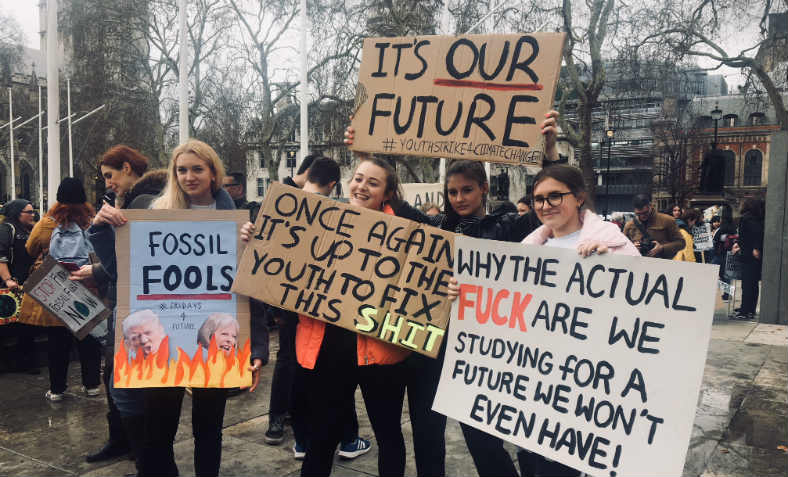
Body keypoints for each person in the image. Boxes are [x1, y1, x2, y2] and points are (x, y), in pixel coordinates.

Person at [342, 111, 558, 477]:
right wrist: (370, 148)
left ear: (484, 189)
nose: (459, 198)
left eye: (467, 190)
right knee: (431, 434)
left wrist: (550, 154)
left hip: (485, 349)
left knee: (487, 440)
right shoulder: (436, 226)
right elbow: (391, 199)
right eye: (452, 191)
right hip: (434, 348)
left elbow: (547, 210)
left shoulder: (507, 226)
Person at [448, 165, 638, 477]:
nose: (545, 205)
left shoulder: (614, 245)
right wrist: (464, 293)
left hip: (580, 386)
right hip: (534, 384)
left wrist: (612, 267)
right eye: (539, 198)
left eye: (554, 196)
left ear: (579, 198)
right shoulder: (528, 251)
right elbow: (501, 308)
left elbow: (637, 314)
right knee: (532, 464)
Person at [18, 178, 103, 402]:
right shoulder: (90, 221)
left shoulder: (48, 222)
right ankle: (92, 385)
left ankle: (57, 389)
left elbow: (29, 248)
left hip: (57, 286)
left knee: (57, 340)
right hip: (86, 284)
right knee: (89, 338)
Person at [0, 199, 39, 374]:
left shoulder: (29, 229)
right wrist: (8, 279)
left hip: (26, 284)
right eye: (29, 212)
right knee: (7, 325)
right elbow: (1, 257)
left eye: (33, 211)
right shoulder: (7, 229)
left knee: (26, 324)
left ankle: (27, 363)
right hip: (10, 285)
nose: (33, 215)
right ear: (17, 213)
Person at [732, 198, 765, 320]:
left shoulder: (747, 218)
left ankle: (745, 311)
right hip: (753, 254)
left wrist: (755, 247)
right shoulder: (757, 218)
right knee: (753, 283)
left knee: (747, 283)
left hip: (748, 254)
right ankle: (749, 309)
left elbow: (754, 234)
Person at [623, 194, 685, 259]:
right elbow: (622, 246)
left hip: (661, 264)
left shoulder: (668, 220)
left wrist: (662, 248)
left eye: (645, 212)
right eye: (638, 214)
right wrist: (632, 247)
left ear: (650, 206)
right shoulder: (629, 225)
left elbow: (681, 243)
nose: (642, 216)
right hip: (637, 264)